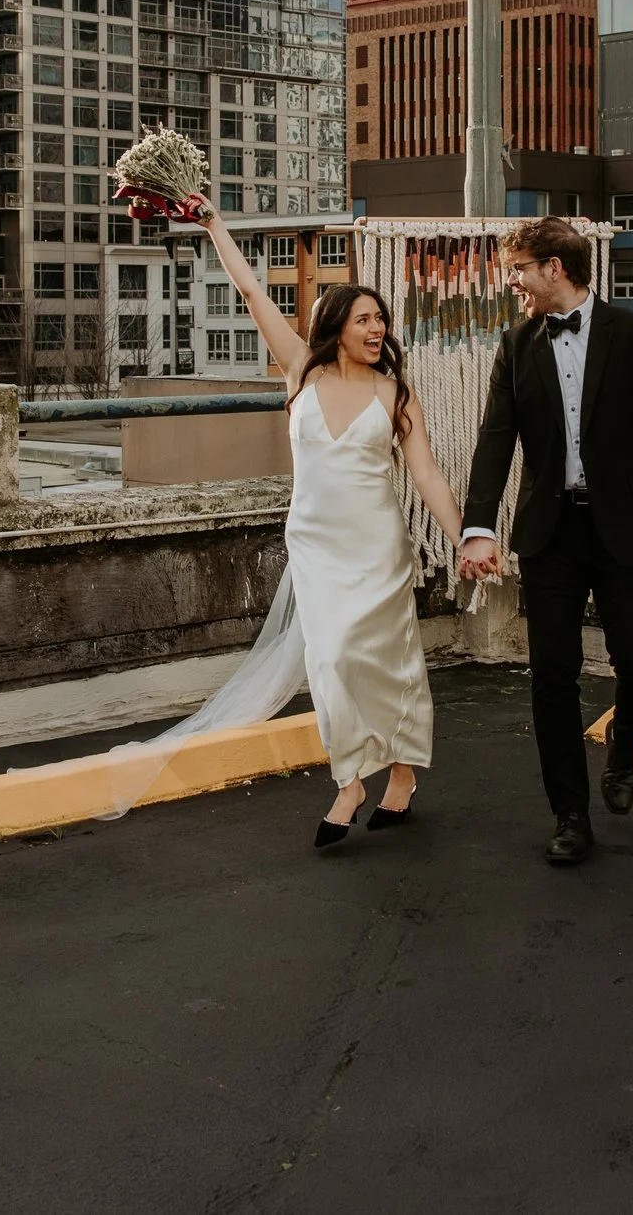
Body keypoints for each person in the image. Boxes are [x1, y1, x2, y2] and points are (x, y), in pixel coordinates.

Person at [457, 216, 633, 866]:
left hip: (630, 530)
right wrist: (478, 527)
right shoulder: (515, 344)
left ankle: (624, 738)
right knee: (550, 676)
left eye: (520, 269)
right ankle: (569, 813)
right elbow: (495, 439)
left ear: (555, 268)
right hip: (550, 534)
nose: (514, 282)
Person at [197, 201, 466, 847]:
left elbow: (426, 474)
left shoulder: (396, 394)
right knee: (333, 660)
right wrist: (212, 224)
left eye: (381, 320)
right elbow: (251, 289)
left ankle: (400, 775)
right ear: (337, 324)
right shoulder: (302, 370)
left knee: (392, 663)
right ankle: (350, 778)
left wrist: (467, 537)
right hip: (316, 545)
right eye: (365, 317)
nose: (377, 328)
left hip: (377, 546)